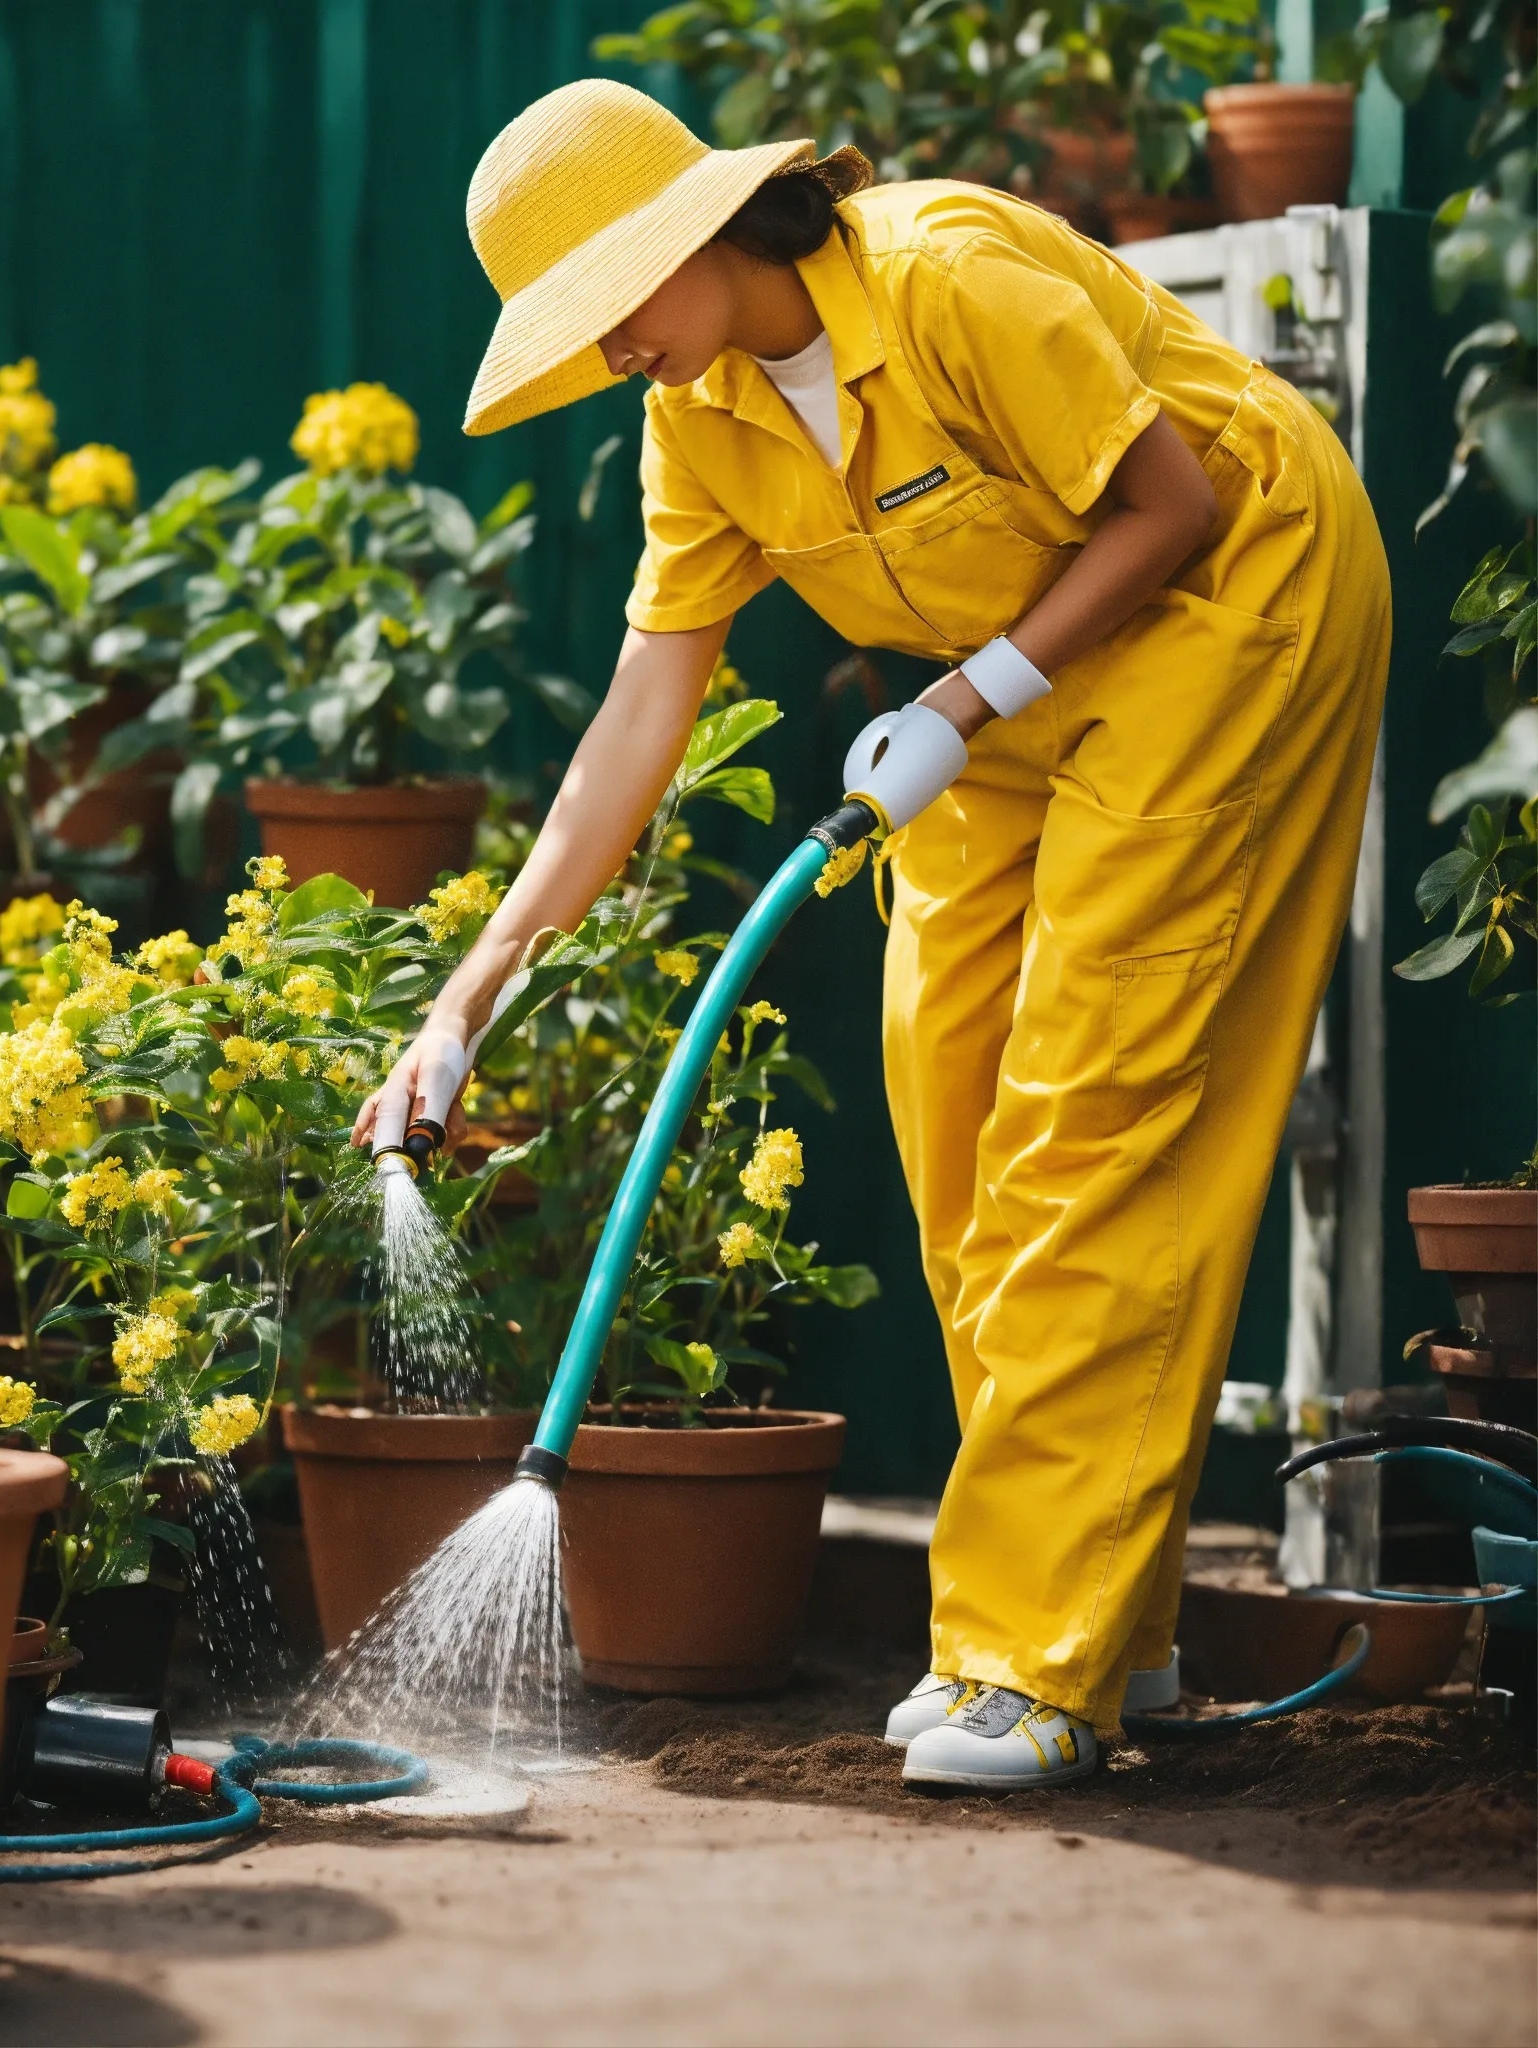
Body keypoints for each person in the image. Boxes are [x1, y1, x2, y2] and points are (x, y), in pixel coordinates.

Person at [352, 78, 1391, 1790]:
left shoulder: (944, 280)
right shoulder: (700, 422)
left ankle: (1031, 1662)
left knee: (1091, 1122)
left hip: (1226, 603)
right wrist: (473, 991)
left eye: (609, 305)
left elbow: (1171, 507)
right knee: (960, 1128)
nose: (606, 348)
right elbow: (638, 719)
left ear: (693, 230)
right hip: (1009, 694)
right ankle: (1111, 1628)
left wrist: (970, 693)